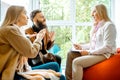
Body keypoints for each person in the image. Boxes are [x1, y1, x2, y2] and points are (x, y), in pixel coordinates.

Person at [0, 5, 65, 80]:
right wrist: (39, 38)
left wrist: (51, 40)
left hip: (24, 68)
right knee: (60, 76)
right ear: (16, 15)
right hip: (17, 70)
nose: (27, 17)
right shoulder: (11, 30)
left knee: (56, 64)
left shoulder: (17, 31)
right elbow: (31, 52)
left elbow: (46, 48)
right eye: (25, 13)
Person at [65, 4, 116, 80]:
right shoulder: (97, 26)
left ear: (101, 12)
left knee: (77, 62)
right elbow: (93, 44)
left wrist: (89, 52)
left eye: (94, 11)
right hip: (96, 53)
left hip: (104, 54)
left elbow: (107, 47)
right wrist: (81, 47)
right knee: (71, 54)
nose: (92, 14)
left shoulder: (109, 25)